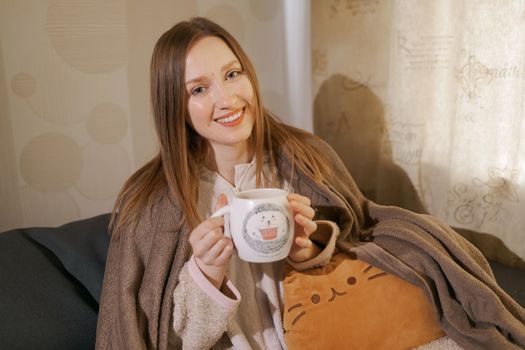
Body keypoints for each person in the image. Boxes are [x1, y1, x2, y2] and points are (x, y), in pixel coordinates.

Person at [96, 17, 525, 350]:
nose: (226, 100)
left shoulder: (305, 157)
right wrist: (205, 275)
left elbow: (363, 241)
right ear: (176, 105)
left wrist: (311, 248)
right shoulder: (153, 204)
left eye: (232, 74)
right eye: (199, 89)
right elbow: (159, 337)